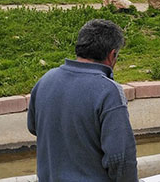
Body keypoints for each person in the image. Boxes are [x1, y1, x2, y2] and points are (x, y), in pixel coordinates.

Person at [27, 19, 137, 181]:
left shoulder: (46, 79)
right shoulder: (108, 91)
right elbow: (120, 159)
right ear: (112, 55)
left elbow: (33, 128)